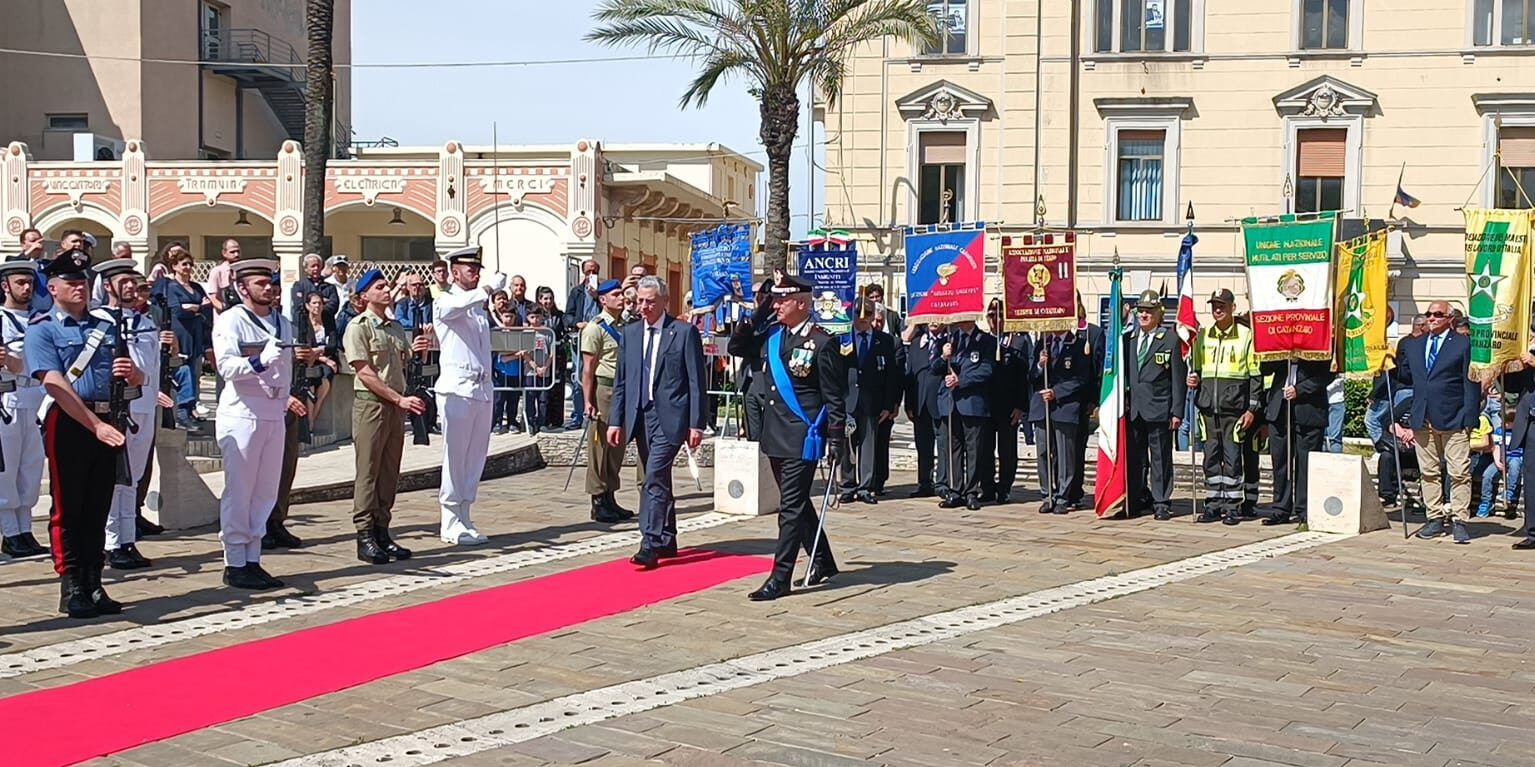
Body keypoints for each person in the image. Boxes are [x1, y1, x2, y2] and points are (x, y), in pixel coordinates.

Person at [26, 248, 141, 617]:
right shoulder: (42, 328)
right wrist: (96, 426)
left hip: (109, 419)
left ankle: (94, 581)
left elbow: (134, 376)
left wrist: (134, 374)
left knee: (98, 504)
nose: (79, 287)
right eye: (71, 282)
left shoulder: (105, 326)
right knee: (69, 506)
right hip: (70, 422)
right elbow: (54, 383)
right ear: (53, 288)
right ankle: (72, 584)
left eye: (83, 281)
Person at [732, 276, 846, 601]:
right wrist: (759, 313)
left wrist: (836, 438)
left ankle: (780, 577)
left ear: (802, 303)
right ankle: (823, 559)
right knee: (796, 503)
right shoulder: (772, 336)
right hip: (774, 435)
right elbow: (737, 346)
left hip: (801, 436)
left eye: (782, 299)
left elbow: (834, 396)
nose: (777, 304)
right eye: (775, 300)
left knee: (789, 508)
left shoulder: (821, 342)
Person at [606, 276, 707, 570]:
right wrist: (615, 420)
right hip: (641, 416)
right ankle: (667, 537)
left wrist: (696, 424)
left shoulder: (683, 332)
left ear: (664, 301)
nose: (643, 307)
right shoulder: (631, 333)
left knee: (653, 476)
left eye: (650, 301)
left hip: (671, 418)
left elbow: (696, 381)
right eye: (639, 301)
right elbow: (622, 381)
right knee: (659, 479)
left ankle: (649, 542)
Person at [212, 258, 298, 590]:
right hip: (243, 412)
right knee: (240, 490)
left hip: (274, 410)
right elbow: (226, 367)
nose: (268, 288)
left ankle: (252, 557)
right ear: (242, 288)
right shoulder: (232, 320)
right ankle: (234, 560)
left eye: (270, 282)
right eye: (260, 283)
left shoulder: (282, 322)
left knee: (265, 491)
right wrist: (259, 361)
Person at [343, 269, 431, 564]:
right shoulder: (359, 327)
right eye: (379, 287)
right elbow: (365, 372)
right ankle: (364, 534)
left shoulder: (394, 327)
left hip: (395, 407)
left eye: (386, 286)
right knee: (368, 471)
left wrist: (419, 349)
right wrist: (398, 399)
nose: (386, 290)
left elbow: (403, 362)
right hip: (372, 406)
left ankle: (382, 530)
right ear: (364, 295)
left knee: (389, 472)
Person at [96, 258, 172, 570]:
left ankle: (127, 538)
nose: (129, 286)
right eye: (122, 281)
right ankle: (110, 541)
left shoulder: (145, 323)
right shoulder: (97, 320)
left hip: (142, 407)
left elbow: (151, 367)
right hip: (114, 408)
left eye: (132, 280)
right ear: (107, 286)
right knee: (113, 476)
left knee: (132, 478)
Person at [434, 246, 506, 546]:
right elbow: (455, 307)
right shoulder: (446, 301)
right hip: (457, 390)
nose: (475, 274)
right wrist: (488, 290)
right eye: (469, 269)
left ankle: (464, 515)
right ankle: (450, 520)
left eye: (477, 270)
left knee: (475, 457)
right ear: (454, 272)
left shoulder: (476, 308)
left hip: (481, 389)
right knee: (455, 457)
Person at [1393, 300, 1480, 543]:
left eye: (1438, 314)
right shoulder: (1414, 344)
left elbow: (1470, 383)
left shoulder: (1463, 343)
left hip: (1454, 417)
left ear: (1450, 318)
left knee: (1459, 472)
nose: (1431, 318)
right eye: (1429, 314)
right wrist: (1388, 363)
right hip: (1423, 417)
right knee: (1428, 472)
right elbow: (1405, 376)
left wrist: (1470, 417)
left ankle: (1460, 520)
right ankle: (1434, 518)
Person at [1187, 289, 1262, 525]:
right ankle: (1212, 504)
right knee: (1210, 458)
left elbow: (1256, 376)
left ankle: (1232, 506)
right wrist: (1193, 379)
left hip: (1235, 410)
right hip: (1208, 408)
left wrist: (1251, 409)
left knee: (1232, 459)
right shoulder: (1203, 335)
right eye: (1214, 306)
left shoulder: (1246, 336)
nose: (1217, 310)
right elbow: (1197, 370)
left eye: (1222, 306)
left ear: (1232, 307)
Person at [1123, 290, 1187, 520]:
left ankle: (1161, 501)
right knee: (1136, 459)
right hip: (1134, 410)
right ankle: (1137, 498)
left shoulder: (1170, 340)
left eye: (1149, 311)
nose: (1144, 315)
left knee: (1160, 458)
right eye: (1141, 310)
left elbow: (1178, 379)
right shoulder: (1128, 340)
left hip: (1160, 409)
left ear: (1159, 313)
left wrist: (1177, 411)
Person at [0, 260, 47, 558]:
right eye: (20, 282)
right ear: (5, 286)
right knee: (7, 469)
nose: (27, 287)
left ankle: (25, 529)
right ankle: (9, 532)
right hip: (8, 399)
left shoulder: (39, 320)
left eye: (29, 282)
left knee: (31, 467)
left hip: (36, 397)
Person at [1260, 354, 1335, 527]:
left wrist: (1300, 389)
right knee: (1280, 461)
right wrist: (1282, 355)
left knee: (1305, 463)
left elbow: (1327, 374)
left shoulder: (1318, 347)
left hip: (1309, 410)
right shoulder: (1280, 350)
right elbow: (1264, 369)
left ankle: (1304, 509)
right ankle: (1281, 508)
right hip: (1279, 410)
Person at [580, 279, 632, 523]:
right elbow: (588, 369)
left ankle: (610, 495)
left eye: (622, 294)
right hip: (604, 390)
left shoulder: (624, 326)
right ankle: (598, 500)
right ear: (603, 300)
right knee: (599, 446)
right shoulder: (595, 328)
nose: (622, 298)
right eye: (616, 294)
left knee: (616, 445)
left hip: (622, 390)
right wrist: (588, 401)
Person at [837, 299, 899, 505]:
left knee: (868, 445)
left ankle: (865, 487)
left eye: (868, 313)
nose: (863, 318)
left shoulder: (885, 341)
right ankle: (847, 485)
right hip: (848, 400)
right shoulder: (843, 339)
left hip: (872, 401)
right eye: (858, 313)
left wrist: (888, 404)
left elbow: (891, 375)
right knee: (847, 445)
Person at [932, 318, 996, 511]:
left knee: (974, 450)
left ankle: (971, 492)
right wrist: (943, 356)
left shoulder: (986, 340)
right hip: (950, 403)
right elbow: (934, 368)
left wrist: (961, 380)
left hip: (972, 404)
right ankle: (955, 491)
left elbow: (986, 370)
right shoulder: (948, 339)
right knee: (953, 449)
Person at [1030, 328, 1093, 514]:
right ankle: (1047, 494)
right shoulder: (1043, 344)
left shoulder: (1079, 344)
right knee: (1043, 452)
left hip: (1064, 407)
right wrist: (1040, 365)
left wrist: (1056, 392)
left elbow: (1081, 379)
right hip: (1042, 406)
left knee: (1065, 454)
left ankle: (1063, 496)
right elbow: (1031, 376)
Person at [980, 300, 1029, 505]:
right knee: (984, 449)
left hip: (1008, 405)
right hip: (985, 405)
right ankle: (987, 487)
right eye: (990, 315)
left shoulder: (1018, 341)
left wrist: (1021, 406)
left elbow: (1023, 377)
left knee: (1007, 450)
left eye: (998, 315)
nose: (994, 319)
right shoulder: (983, 340)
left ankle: (1005, 488)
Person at [159, 250, 212, 426]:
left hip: (196, 333)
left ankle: (190, 409)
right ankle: (181, 412)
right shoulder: (171, 287)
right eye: (184, 264)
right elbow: (176, 310)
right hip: (179, 334)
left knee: (194, 372)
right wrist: (196, 307)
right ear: (174, 266)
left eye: (190, 264)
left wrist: (193, 307)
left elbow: (207, 306)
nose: (188, 267)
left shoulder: (196, 287)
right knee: (182, 371)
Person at [1067, 299, 1105, 510]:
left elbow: (1098, 369)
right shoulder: (1052, 332)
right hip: (1055, 401)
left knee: (1076, 448)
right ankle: (1058, 490)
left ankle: (1074, 492)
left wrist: (1093, 399)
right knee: (1056, 450)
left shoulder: (1093, 333)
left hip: (1081, 401)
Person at [904, 322, 945, 497]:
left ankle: (943, 483)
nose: (933, 322)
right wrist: (909, 404)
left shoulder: (949, 341)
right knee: (923, 446)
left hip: (941, 403)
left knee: (943, 445)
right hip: (920, 403)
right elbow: (910, 375)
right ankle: (925, 482)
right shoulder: (916, 344)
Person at [565, 259, 604, 430]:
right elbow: (567, 315)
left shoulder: (604, 291)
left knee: (598, 376)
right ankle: (578, 415)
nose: (591, 275)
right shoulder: (577, 292)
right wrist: (576, 323)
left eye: (594, 271)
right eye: (588, 272)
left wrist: (598, 298)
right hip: (581, 338)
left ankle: (597, 413)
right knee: (579, 376)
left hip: (600, 337)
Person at [296, 291, 340, 428]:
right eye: (314, 303)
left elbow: (333, 345)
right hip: (311, 360)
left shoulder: (328, 319)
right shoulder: (303, 321)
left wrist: (318, 352)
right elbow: (305, 345)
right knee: (310, 383)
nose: (317, 306)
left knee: (324, 380)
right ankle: (309, 423)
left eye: (320, 303)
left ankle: (311, 421)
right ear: (307, 306)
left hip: (327, 359)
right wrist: (322, 356)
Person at [534, 286, 568, 430]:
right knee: (543, 388)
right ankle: (543, 419)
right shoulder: (536, 315)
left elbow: (565, 332)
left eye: (550, 298)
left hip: (557, 355)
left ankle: (557, 420)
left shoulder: (559, 315)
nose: (548, 301)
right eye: (545, 299)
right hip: (541, 356)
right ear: (540, 300)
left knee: (557, 388)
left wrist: (560, 342)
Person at [521, 306, 553, 436]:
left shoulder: (548, 333)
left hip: (545, 370)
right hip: (530, 371)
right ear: (528, 318)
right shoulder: (526, 333)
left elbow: (552, 353)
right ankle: (530, 422)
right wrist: (535, 367)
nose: (535, 320)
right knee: (530, 398)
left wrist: (545, 367)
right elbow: (525, 353)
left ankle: (542, 422)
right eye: (532, 317)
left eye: (538, 317)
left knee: (543, 398)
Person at [290, 253, 337, 323]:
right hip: (305, 324)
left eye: (318, 266)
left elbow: (333, 305)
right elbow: (299, 306)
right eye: (313, 266)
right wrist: (322, 302)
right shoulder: (299, 286)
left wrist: (315, 308)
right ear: (306, 269)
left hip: (326, 323)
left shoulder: (330, 287)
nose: (316, 268)